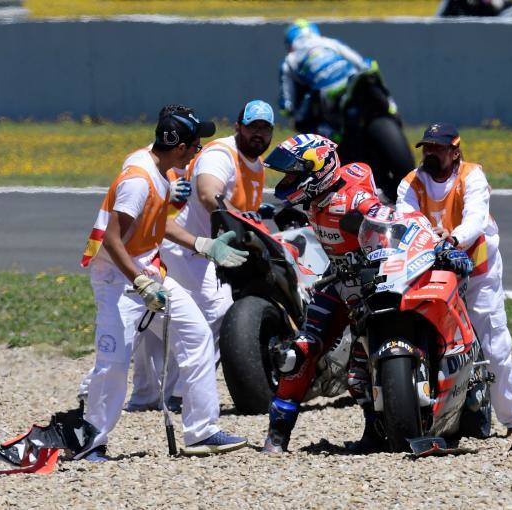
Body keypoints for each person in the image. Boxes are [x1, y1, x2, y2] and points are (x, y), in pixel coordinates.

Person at [260, 133, 473, 453]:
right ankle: (276, 438)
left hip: (376, 277)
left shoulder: (354, 195)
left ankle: (383, 428)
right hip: (339, 281)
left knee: (362, 370)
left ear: (318, 170)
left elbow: (393, 218)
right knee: (298, 353)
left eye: (295, 173)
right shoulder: (317, 196)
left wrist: (437, 245)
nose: (288, 180)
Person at [77, 108, 249, 461]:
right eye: (196, 143)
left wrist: (201, 245)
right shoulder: (139, 179)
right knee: (114, 362)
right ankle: (91, 442)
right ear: (181, 147)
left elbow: (155, 223)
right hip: (118, 279)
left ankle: (202, 432)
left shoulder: (160, 170)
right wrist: (139, 282)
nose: (200, 149)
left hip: (149, 273)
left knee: (197, 334)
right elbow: (112, 240)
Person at [128, 99, 276, 413]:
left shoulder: (258, 167)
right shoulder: (221, 155)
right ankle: (183, 391)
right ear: (239, 127)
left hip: (196, 247)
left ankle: (147, 395)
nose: (258, 135)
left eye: (265, 128)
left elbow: (239, 206)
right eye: (253, 127)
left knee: (159, 318)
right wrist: (235, 221)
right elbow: (211, 193)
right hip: (182, 246)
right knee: (217, 308)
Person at [396, 122, 512, 439]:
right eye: (426, 147)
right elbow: (405, 218)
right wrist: (433, 237)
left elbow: (475, 219)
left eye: (438, 148)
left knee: (493, 345)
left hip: (477, 271)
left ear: (455, 150)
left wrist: (453, 239)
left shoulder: (472, 176)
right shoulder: (410, 183)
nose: (430, 153)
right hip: (429, 270)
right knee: (430, 342)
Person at [278, 19, 370, 140]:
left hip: (323, 90)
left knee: (300, 122)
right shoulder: (329, 42)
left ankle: (331, 139)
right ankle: (390, 109)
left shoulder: (289, 60)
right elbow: (360, 62)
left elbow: (287, 102)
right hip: (351, 79)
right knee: (371, 77)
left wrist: (287, 109)